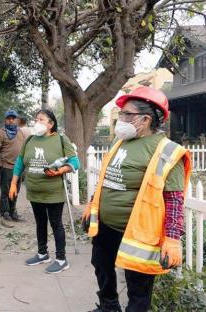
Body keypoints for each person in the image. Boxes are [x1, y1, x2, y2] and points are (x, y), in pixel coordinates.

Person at [82, 86, 191, 312]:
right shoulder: (120, 142)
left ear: (145, 119)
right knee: (101, 266)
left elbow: (174, 200)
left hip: (139, 233)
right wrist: (92, 204)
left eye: (126, 114)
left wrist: (172, 239)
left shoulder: (167, 151)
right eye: (120, 114)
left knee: (138, 286)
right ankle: (108, 307)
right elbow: (106, 178)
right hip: (107, 226)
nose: (120, 119)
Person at [9, 109, 80, 273]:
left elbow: (75, 162)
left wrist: (61, 170)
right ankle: (42, 253)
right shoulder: (30, 140)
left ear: (51, 124)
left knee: (56, 224)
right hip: (34, 191)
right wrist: (14, 183)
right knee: (40, 223)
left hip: (53, 192)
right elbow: (20, 161)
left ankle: (61, 259)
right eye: (36, 119)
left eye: (41, 119)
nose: (37, 122)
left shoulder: (61, 140)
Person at [0, 110, 26, 225]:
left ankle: (12, 211)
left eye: (13, 118)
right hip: (6, 167)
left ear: (16, 120)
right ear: (5, 120)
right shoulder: (0, 133)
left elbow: (24, 149)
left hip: (18, 168)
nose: (11, 120)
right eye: (9, 118)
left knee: (16, 190)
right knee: (5, 191)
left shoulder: (20, 132)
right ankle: (4, 212)